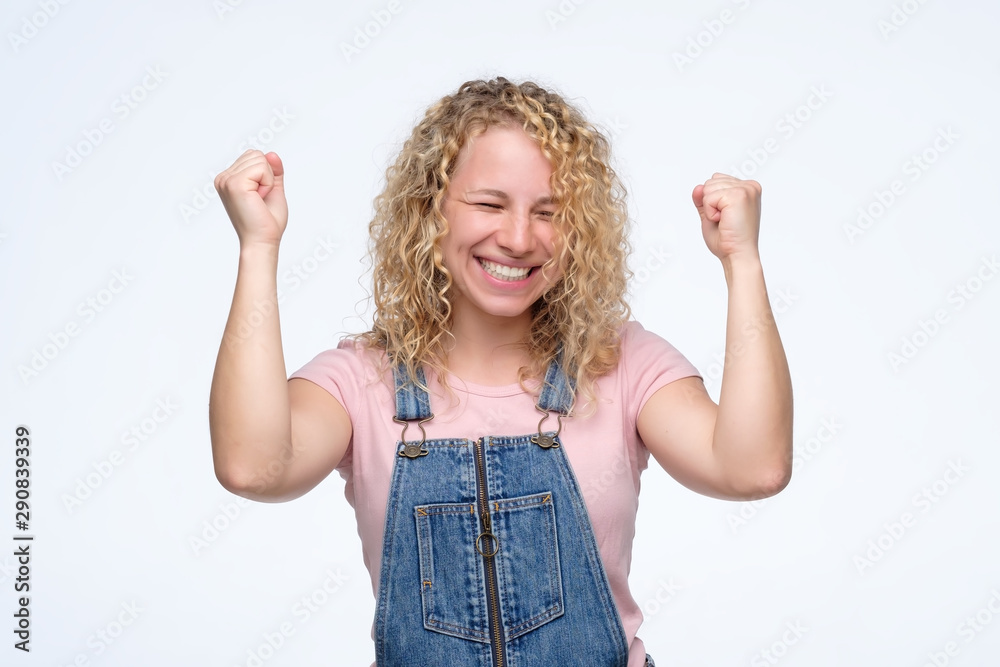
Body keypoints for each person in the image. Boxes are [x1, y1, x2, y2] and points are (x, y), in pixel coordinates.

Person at [209, 77, 793, 667]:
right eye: (489, 204)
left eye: (549, 212)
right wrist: (259, 248)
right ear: (429, 211)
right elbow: (253, 468)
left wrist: (742, 262)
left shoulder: (621, 363)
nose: (518, 238)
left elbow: (753, 469)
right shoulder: (360, 380)